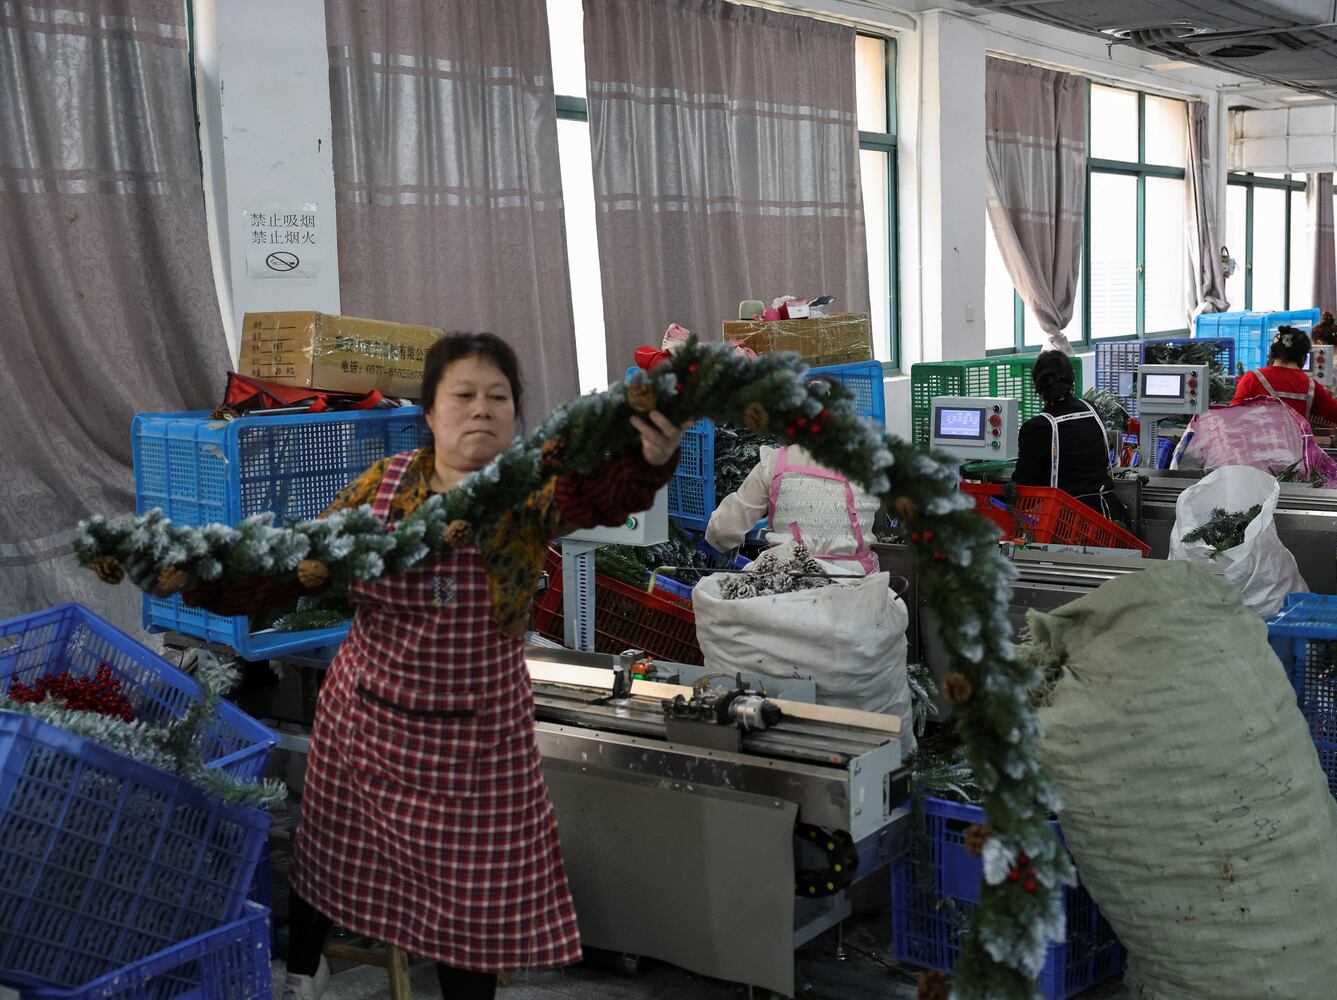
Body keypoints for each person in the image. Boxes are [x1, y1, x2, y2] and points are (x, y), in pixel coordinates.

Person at [188, 333, 687, 1000]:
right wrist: (210, 578)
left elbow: (598, 496)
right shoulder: (383, 487)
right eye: (463, 394)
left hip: (476, 744)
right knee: (331, 852)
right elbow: (307, 563)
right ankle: (305, 970)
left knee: (470, 908)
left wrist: (649, 460)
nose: (481, 409)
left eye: (498, 396)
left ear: (515, 416)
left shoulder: (530, 495)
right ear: (429, 412)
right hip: (368, 721)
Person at [704, 375, 881, 574]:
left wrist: (719, 540)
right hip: (857, 586)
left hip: (788, 584)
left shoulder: (773, 463)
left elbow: (722, 531)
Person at [1013, 349, 1124, 519]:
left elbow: (1024, 484)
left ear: (1037, 385)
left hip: (1067, 522)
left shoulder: (1038, 427)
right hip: (1106, 515)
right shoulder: (1090, 410)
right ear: (1072, 379)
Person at [1231, 325, 1337, 441]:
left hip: (1255, 461)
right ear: (1304, 357)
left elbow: (1230, 419)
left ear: (1272, 354)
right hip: (1295, 463)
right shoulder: (1310, 386)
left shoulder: (1252, 378)